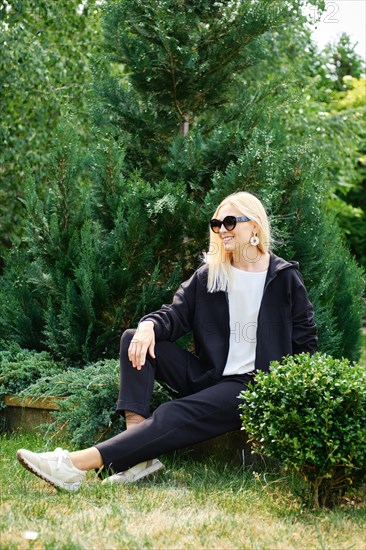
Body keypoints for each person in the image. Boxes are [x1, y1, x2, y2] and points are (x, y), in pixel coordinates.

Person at [16, 191, 317, 491]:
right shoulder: (210, 276)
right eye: (216, 224)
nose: (221, 230)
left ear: (254, 226)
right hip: (211, 377)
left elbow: (305, 342)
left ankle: (72, 465)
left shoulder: (283, 277)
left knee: (172, 413)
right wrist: (148, 325)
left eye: (229, 222)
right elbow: (173, 316)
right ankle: (138, 459)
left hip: (252, 388)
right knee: (135, 339)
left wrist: (287, 396)